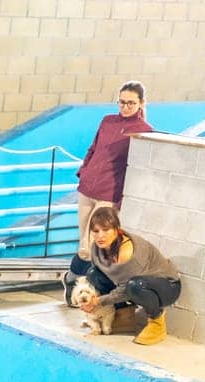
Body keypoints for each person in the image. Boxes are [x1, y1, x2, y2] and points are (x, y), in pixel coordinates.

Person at [69, 81, 152, 271]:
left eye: (131, 103)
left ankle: (82, 280)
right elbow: (94, 147)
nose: (125, 107)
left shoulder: (144, 130)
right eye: (121, 102)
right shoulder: (108, 120)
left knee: (91, 245)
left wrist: (123, 199)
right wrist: (84, 172)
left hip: (109, 193)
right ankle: (79, 281)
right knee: (83, 239)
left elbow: (137, 169)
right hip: (87, 188)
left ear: (141, 103)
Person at [74, 205, 180, 346]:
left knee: (135, 285)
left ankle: (156, 321)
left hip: (167, 287)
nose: (100, 236)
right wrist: (90, 303)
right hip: (130, 285)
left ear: (117, 230)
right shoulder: (97, 248)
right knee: (93, 274)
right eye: (96, 231)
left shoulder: (129, 254)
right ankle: (124, 315)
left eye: (106, 230)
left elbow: (125, 290)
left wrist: (98, 302)